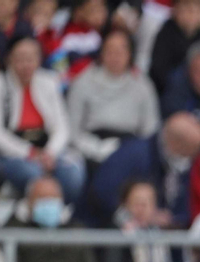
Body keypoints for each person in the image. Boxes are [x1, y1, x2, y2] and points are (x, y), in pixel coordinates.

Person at [0, 36, 85, 202]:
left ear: (39, 59)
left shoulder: (49, 81)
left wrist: (50, 153)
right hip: (11, 152)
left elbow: (62, 127)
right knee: (33, 174)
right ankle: (32, 214)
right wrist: (29, 153)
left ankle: (61, 214)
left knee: (72, 174)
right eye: (20, 58)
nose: (26, 64)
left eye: (31, 58)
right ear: (9, 58)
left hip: (46, 149)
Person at [84, 111, 200, 227]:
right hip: (107, 230)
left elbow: (181, 210)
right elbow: (101, 193)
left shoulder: (174, 164)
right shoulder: (133, 155)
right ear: (176, 144)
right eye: (190, 151)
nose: (192, 158)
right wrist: (137, 217)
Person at [66, 29, 160, 168]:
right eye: (110, 51)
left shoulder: (143, 85)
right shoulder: (82, 82)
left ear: (130, 54)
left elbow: (150, 129)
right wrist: (95, 148)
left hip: (130, 147)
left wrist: (132, 150)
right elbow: (73, 129)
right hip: (92, 147)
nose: (115, 57)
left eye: (121, 51)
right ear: (101, 53)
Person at [148, 0, 200, 95]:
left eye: (195, 10)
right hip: (169, 91)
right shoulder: (165, 34)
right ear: (175, 11)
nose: (191, 15)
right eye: (186, 10)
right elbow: (159, 72)